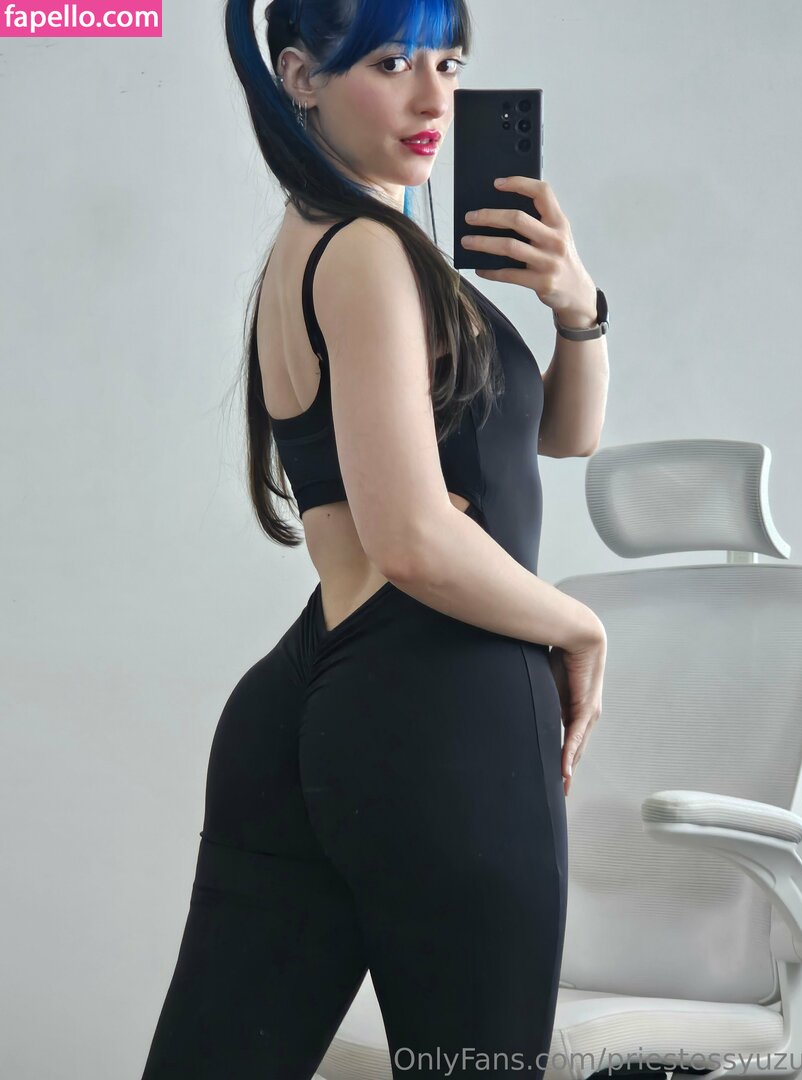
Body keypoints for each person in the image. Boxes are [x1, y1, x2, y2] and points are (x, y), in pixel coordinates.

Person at [139, 0, 607, 1076]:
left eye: (449, 62)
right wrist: (581, 627)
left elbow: (561, 438)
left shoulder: (324, 244)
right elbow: (412, 539)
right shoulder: (366, 252)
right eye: (392, 62)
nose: (433, 96)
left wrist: (576, 306)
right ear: (300, 78)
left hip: (313, 698)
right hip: (439, 707)